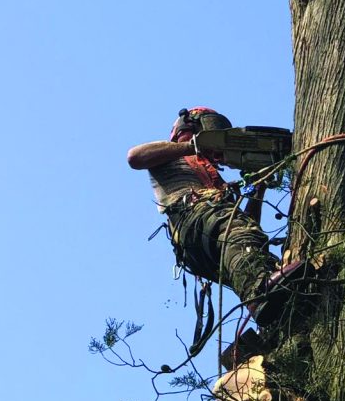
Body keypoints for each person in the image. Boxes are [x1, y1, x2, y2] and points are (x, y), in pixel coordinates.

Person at [127, 106, 307, 327]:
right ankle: (260, 291)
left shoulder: (216, 183)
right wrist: (193, 146)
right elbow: (134, 157)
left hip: (205, 247)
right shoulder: (171, 154)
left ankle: (279, 309)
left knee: (250, 244)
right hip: (193, 220)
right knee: (237, 235)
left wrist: (259, 189)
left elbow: (248, 229)